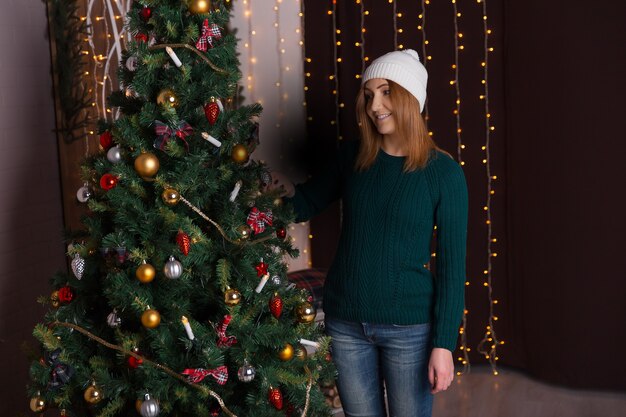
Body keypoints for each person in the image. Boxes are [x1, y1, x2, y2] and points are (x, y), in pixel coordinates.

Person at [272, 49, 468, 417]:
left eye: (386, 92)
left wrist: (444, 344)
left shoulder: (444, 174)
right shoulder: (354, 156)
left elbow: (454, 272)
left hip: (409, 329)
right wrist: (264, 193)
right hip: (345, 322)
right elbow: (303, 205)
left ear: (411, 99)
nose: (374, 105)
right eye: (368, 94)